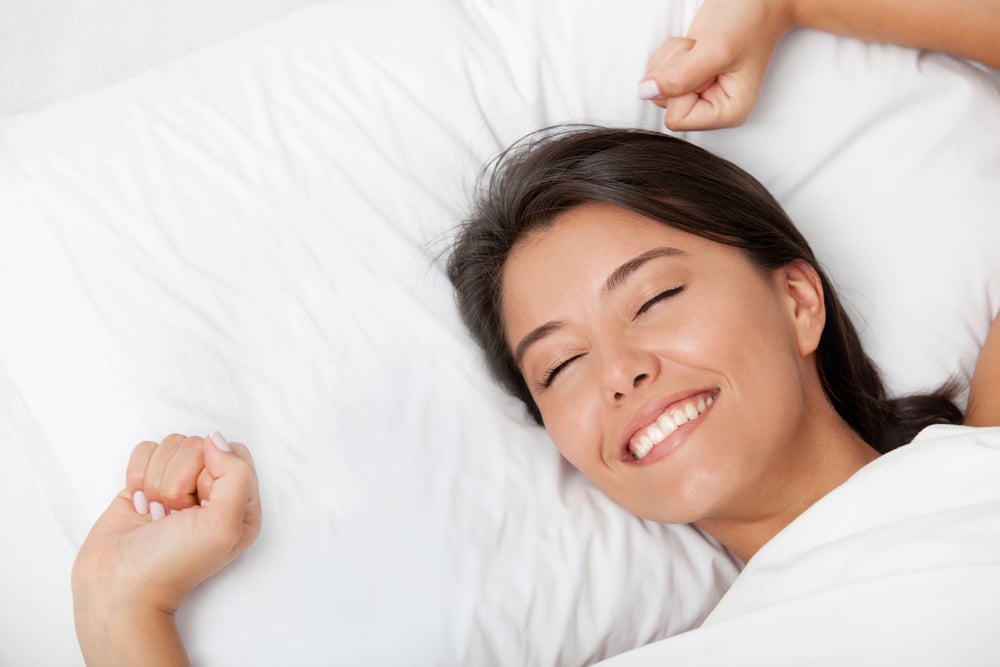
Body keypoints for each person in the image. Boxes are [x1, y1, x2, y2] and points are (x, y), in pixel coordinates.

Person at [71, 1, 1000, 663]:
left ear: (799, 299)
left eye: (653, 299)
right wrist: (123, 610)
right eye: (560, 365)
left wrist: (791, 2)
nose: (623, 373)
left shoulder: (979, 460)